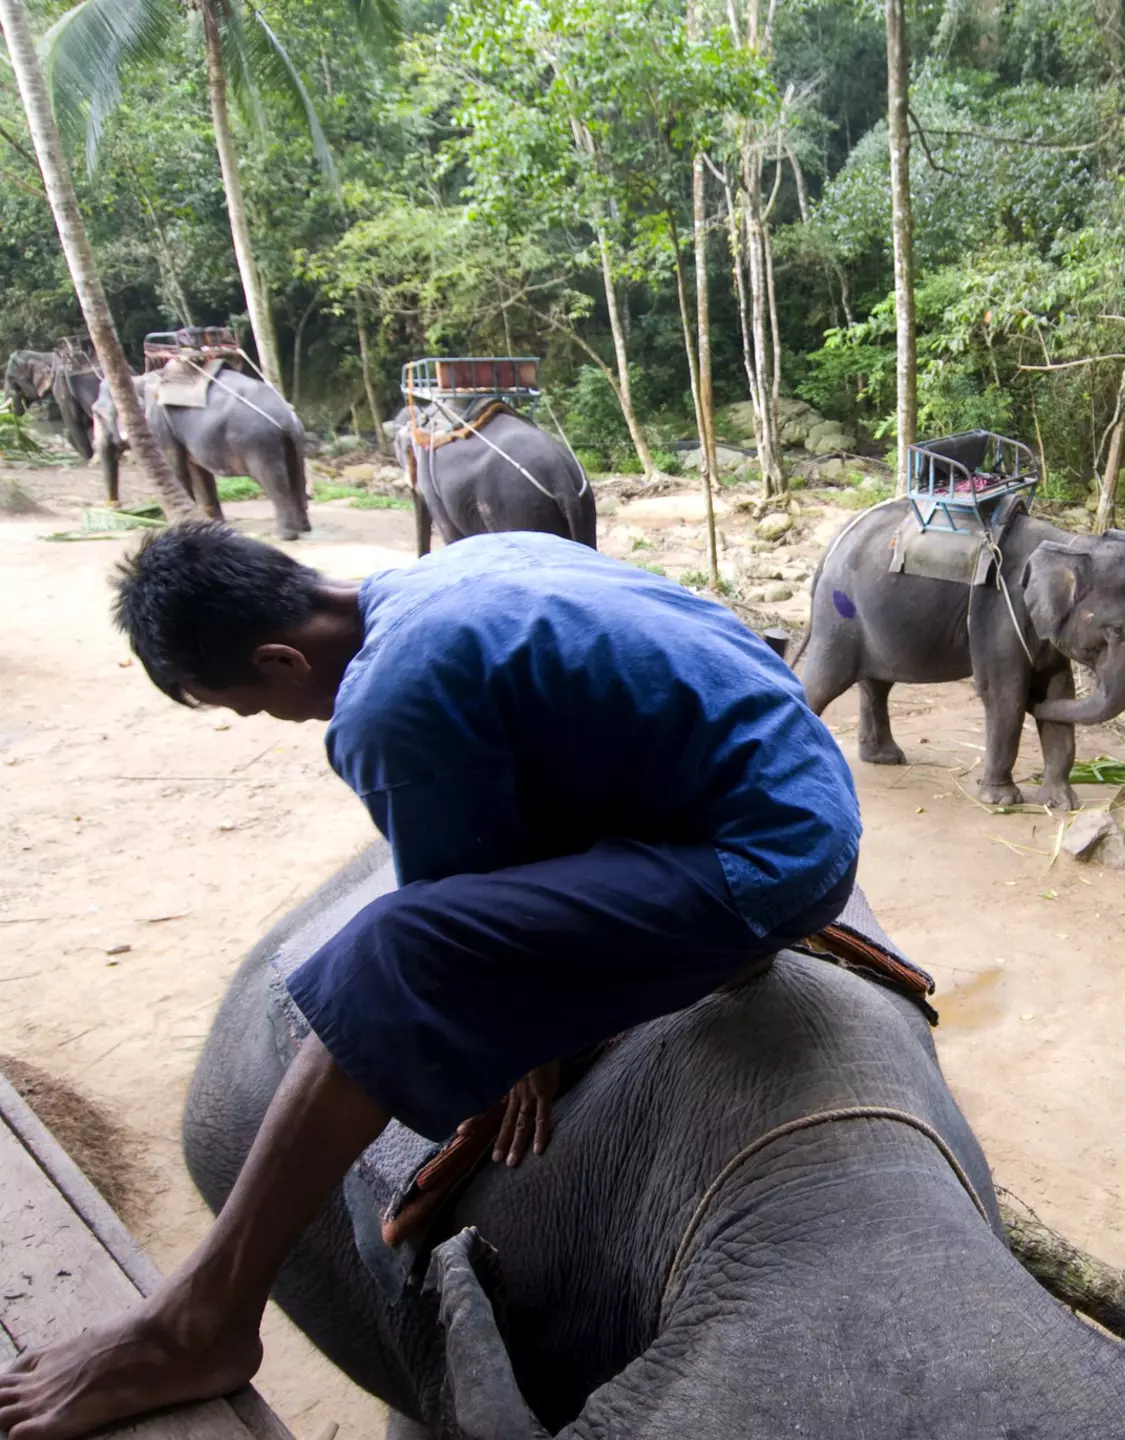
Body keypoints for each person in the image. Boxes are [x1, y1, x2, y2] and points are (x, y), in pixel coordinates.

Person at [0, 523, 862, 1440]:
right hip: (793, 786)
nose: (280, 722)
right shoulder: (468, 562)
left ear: (281, 659)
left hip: (766, 864)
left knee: (390, 955)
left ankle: (200, 1321)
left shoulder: (388, 704)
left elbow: (446, 945)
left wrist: (526, 1026)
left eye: (254, 708)